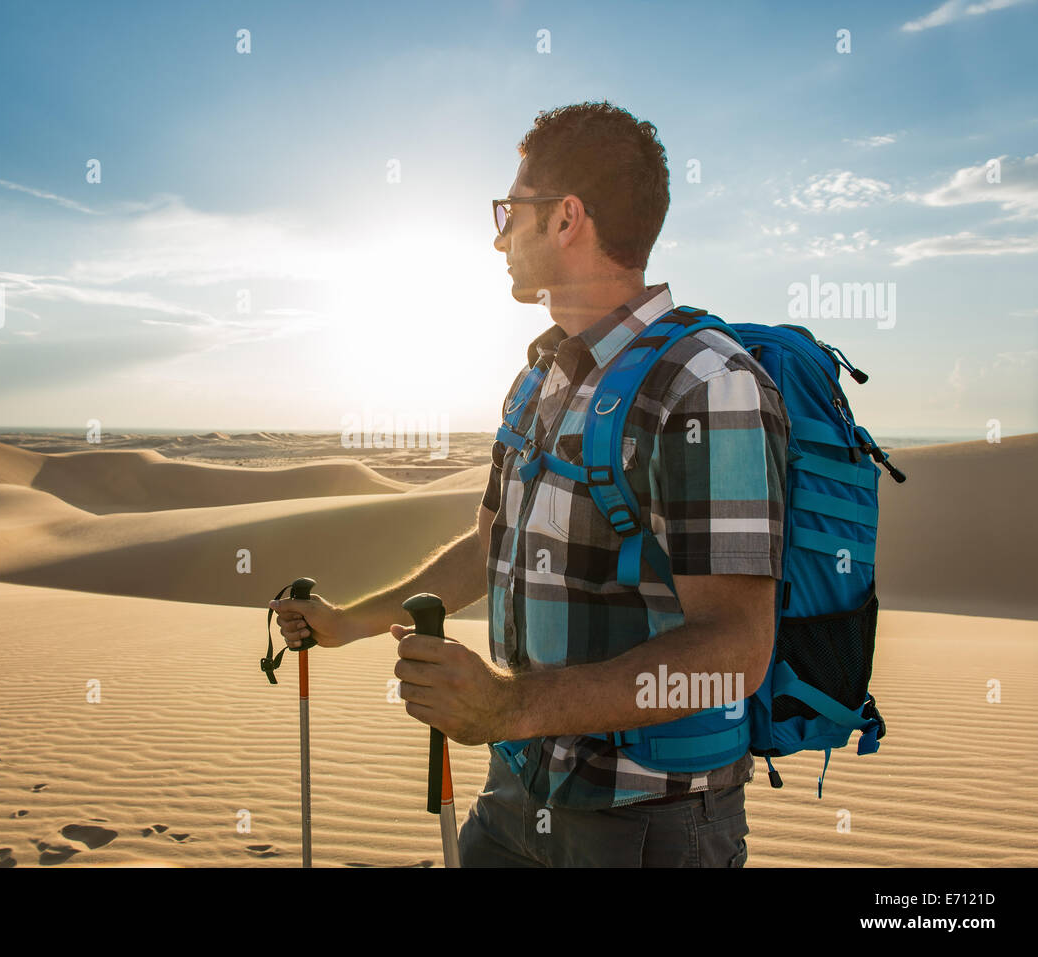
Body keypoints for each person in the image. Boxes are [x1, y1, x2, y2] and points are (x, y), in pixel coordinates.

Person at [270, 101, 790, 867]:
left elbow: (735, 649)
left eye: (509, 210)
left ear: (565, 218)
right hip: (517, 796)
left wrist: (510, 704)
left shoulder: (704, 382)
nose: (497, 235)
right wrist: (349, 621)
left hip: (648, 823)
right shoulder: (539, 379)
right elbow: (489, 548)